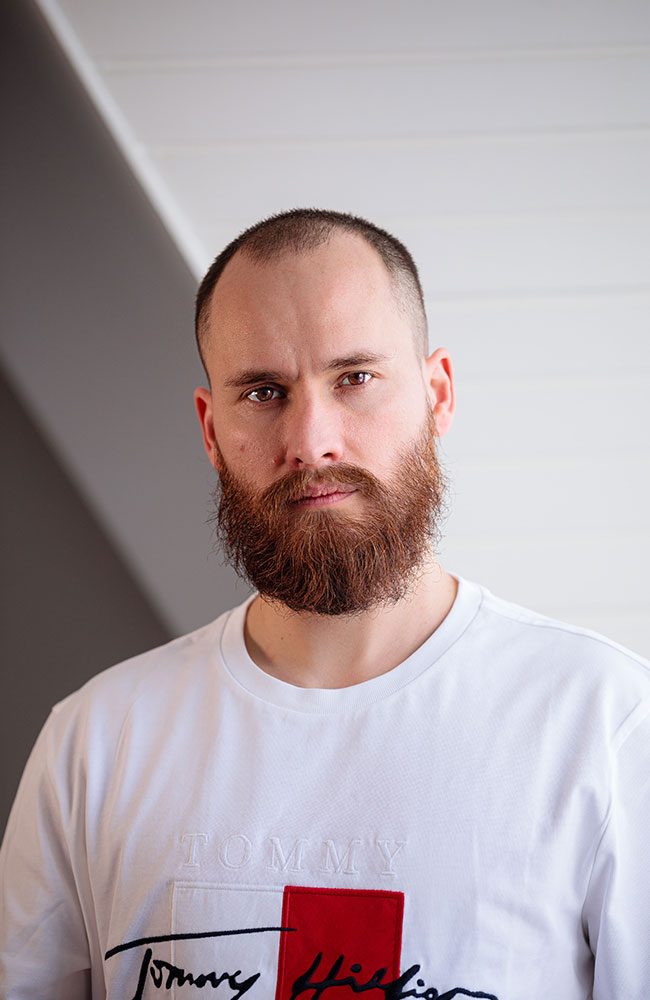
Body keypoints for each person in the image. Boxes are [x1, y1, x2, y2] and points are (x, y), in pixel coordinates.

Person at [1, 208, 649, 1000]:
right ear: (211, 430)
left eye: (355, 378)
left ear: (438, 395)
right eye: (263, 391)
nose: (311, 441)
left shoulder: (607, 726)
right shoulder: (96, 745)